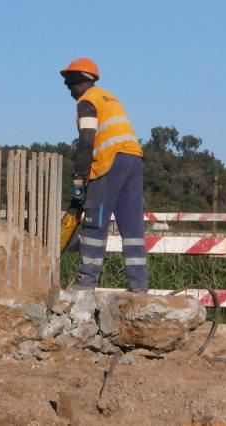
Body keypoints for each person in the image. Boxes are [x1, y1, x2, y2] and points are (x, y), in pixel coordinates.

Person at [60, 57, 148, 292]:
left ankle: (86, 283)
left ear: (79, 81)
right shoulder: (109, 97)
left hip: (110, 162)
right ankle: (139, 288)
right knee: (132, 228)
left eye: (69, 83)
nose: (68, 90)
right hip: (134, 160)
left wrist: (79, 180)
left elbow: (86, 141)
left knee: (94, 222)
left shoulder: (87, 101)